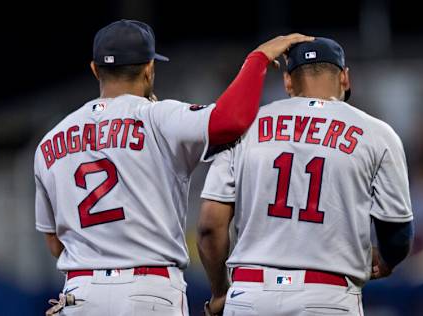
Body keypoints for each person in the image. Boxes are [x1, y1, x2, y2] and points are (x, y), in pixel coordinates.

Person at [34, 18, 314, 315]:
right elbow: (229, 121)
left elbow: (55, 243)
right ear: (149, 69)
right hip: (148, 291)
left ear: (94, 69)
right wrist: (257, 59)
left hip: (81, 295)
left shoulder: (50, 141)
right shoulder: (157, 117)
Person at [198, 37, 414, 316]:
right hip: (328, 296)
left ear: (288, 81)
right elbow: (397, 233)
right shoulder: (377, 133)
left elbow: (209, 226)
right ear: (345, 78)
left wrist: (220, 292)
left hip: (251, 294)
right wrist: (386, 260)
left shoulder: (245, 126)